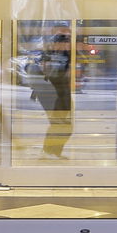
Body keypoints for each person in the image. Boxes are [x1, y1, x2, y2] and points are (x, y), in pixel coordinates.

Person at [37, 26, 73, 159]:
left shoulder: (68, 55)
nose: (64, 43)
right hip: (53, 93)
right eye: (61, 40)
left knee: (65, 125)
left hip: (64, 92)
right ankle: (48, 152)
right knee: (59, 124)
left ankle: (54, 152)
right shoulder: (48, 54)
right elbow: (47, 73)